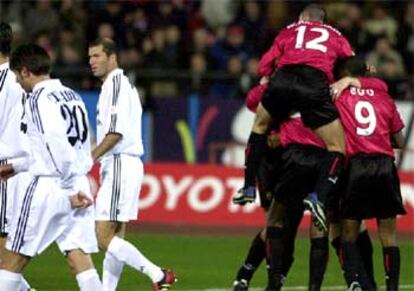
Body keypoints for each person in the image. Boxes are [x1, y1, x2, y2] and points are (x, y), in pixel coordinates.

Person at [236, 4, 354, 232]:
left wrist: (266, 77)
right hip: (315, 83)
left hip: (284, 78)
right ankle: (318, 197)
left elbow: (264, 65)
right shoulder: (335, 35)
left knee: (259, 127)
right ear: (322, 21)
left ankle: (249, 186)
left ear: (302, 18)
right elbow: (350, 62)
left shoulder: (289, 30)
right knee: (337, 146)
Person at [0, 44, 102, 291]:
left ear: (25, 72)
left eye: (16, 76)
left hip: (51, 186)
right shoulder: (71, 95)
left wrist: (67, 192)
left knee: (14, 258)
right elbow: (82, 146)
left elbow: (58, 148)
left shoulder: (37, 99)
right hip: (78, 182)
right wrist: (17, 166)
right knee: (79, 259)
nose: (17, 82)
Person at [88, 38, 176, 291]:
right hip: (126, 165)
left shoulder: (114, 86)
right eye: (90, 57)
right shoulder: (122, 85)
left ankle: (157, 273)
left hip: (118, 163)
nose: (91, 62)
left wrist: (90, 158)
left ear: (112, 57)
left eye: (97, 56)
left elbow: (115, 133)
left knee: (102, 237)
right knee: (116, 237)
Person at [331, 57, 406, 290]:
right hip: (385, 164)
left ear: (343, 74)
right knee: (389, 235)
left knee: (349, 232)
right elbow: (400, 140)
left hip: (357, 166)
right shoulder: (384, 96)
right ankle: (391, 288)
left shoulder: (339, 95)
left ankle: (355, 282)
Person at [0, 21, 33, 291]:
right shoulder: (23, 78)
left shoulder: (3, 81)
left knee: (4, 256)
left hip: (5, 170)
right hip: (20, 168)